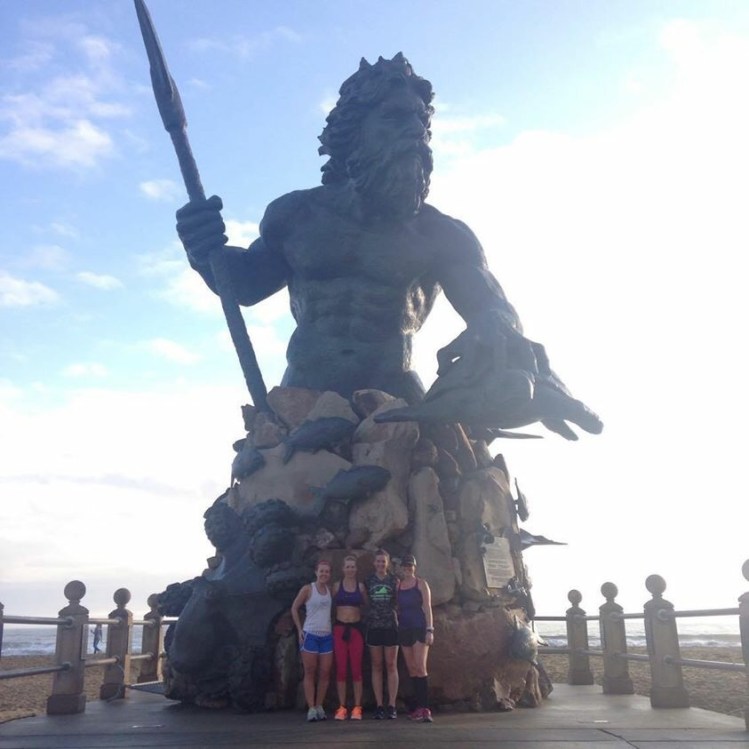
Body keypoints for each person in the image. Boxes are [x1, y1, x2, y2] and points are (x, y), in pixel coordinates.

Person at [175, 54, 601, 439]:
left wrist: (499, 328)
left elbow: (491, 305)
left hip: (397, 406)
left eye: (421, 122)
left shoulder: (441, 235)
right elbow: (244, 286)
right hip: (302, 400)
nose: (415, 131)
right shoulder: (297, 215)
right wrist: (202, 248)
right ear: (353, 133)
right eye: (396, 118)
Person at [290, 560, 334, 722]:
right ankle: (311, 708)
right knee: (310, 671)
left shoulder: (330, 590)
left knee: (325, 672)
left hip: (326, 636)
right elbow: (294, 607)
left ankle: (319, 705)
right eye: (321, 571)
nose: (324, 574)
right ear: (316, 572)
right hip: (310, 634)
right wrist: (299, 629)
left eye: (327, 571)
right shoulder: (308, 589)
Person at [396, 554, 434, 722]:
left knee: (420, 666)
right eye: (405, 566)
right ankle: (417, 707)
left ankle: (425, 708)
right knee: (411, 668)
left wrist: (430, 629)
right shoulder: (398, 586)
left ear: (414, 567)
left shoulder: (421, 584)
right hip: (404, 628)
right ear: (401, 568)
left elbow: (427, 607)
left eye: (410, 565)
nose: (407, 568)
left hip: (419, 627)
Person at [331, 555, 368, 721]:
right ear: (343, 569)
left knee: (356, 669)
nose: (350, 569)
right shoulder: (336, 586)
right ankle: (342, 707)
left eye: (353, 567)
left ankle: (357, 707)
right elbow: (329, 605)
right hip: (340, 629)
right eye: (348, 567)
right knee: (341, 669)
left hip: (356, 629)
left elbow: (367, 605)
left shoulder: (360, 587)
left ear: (356, 569)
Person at [364, 549, 399, 719]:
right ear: (374, 563)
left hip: (390, 626)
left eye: (383, 561)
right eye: (378, 561)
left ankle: (392, 705)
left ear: (388, 563)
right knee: (376, 665)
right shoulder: (368, 581)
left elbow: (398, 601)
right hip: (374, 626)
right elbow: (366, 601)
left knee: (391, 665)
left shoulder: (394, 580)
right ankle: (379, 705)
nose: (380, 564)